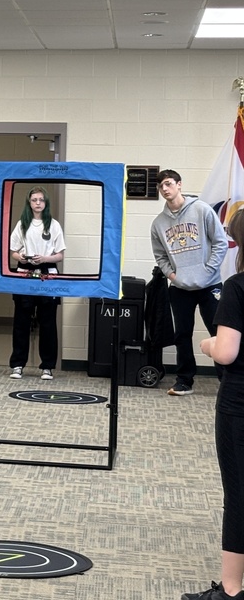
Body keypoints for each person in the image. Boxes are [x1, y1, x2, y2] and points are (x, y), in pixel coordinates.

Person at [184, 210, 244, 600]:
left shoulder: (238, 287)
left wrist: (206, 345)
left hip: (240, 402)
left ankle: (232, 590)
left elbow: (225, 352)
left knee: (238, 493)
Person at [151, 169, 229, 396]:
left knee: (219, 332)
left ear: (179, 185)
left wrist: (208, 270)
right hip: (180, 287)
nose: (165, 189)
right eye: (161, 186)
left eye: (168, 184)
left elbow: (220, 243)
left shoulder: (201, 210)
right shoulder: (158, 224)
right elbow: (160, 256)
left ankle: (226, 381)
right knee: (182, 334)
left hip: (210, 285)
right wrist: (173, 276)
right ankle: (185, 380)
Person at [7, 185, 66, 380]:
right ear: (29, 203)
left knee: (48, 322)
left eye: (41, 200)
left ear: (45, 202)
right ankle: (17, 364)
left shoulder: (54, 225)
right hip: (24, 274)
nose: (38, 203)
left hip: (47, 275)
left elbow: (59, 255)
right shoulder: (22, 224)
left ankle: (47, 366)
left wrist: (45, 259)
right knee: (21, 321)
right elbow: (13, 251)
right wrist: (21, 257)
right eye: (34, 200)